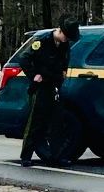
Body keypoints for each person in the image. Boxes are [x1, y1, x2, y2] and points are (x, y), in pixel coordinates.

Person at [19, 17, 81, 166]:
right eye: (66, 36)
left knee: (57, 122)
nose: (67, 40)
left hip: (54, 85)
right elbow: (24, 59)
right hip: (41, 87)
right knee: (35, 122)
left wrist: (64, 72)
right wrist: (34, 75)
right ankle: (26, 156)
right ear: (59, 31)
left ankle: (57, 156)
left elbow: (65, 60)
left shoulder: (64, 45)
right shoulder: (42, 41)